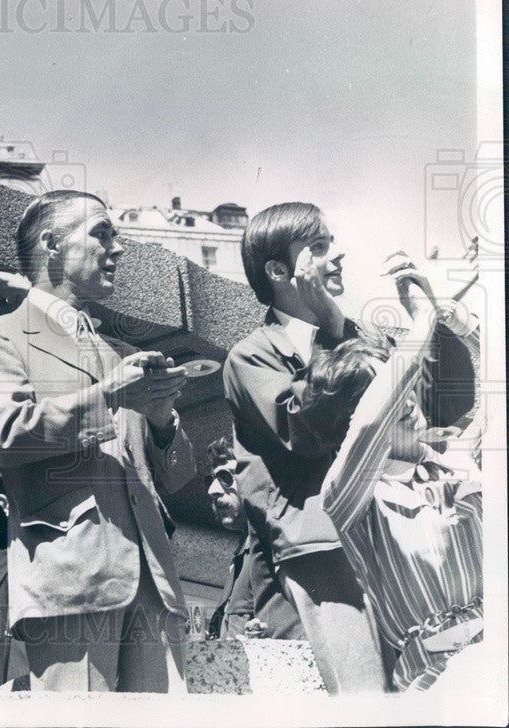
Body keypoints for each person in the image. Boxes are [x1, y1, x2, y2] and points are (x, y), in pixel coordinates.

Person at [0, 189, 196, 693]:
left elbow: (176, 476)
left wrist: (161, 422)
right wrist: (110, 394)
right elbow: (9, 434)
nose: (117, 248)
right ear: (51, 243)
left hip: (155, 587)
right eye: (101, 232)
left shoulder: (125, 352)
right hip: (72, 580)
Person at [223, 202, 389, 692]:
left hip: (379, 533)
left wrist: (336, 325)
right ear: (278, 270)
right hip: (319, 547)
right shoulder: (250, 355)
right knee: (361, 696)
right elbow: (303, 429)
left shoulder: (355, 335)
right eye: (318, 248)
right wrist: (335, 327)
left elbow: (414, 405)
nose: (336, 258)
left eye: (331, 244)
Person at [307, 254, 482, 691]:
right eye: (390, 389)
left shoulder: (454, 460)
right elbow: (372, 422)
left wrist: (455, 321)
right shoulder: (350, 496)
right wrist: (420, 324)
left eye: (407, 381)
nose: (406, 399)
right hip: (437, 683)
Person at [200, 438, 303, 641]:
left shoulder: (281, 540)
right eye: (211, 479)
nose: (213, 490)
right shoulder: (243, 554)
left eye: (225, 477)